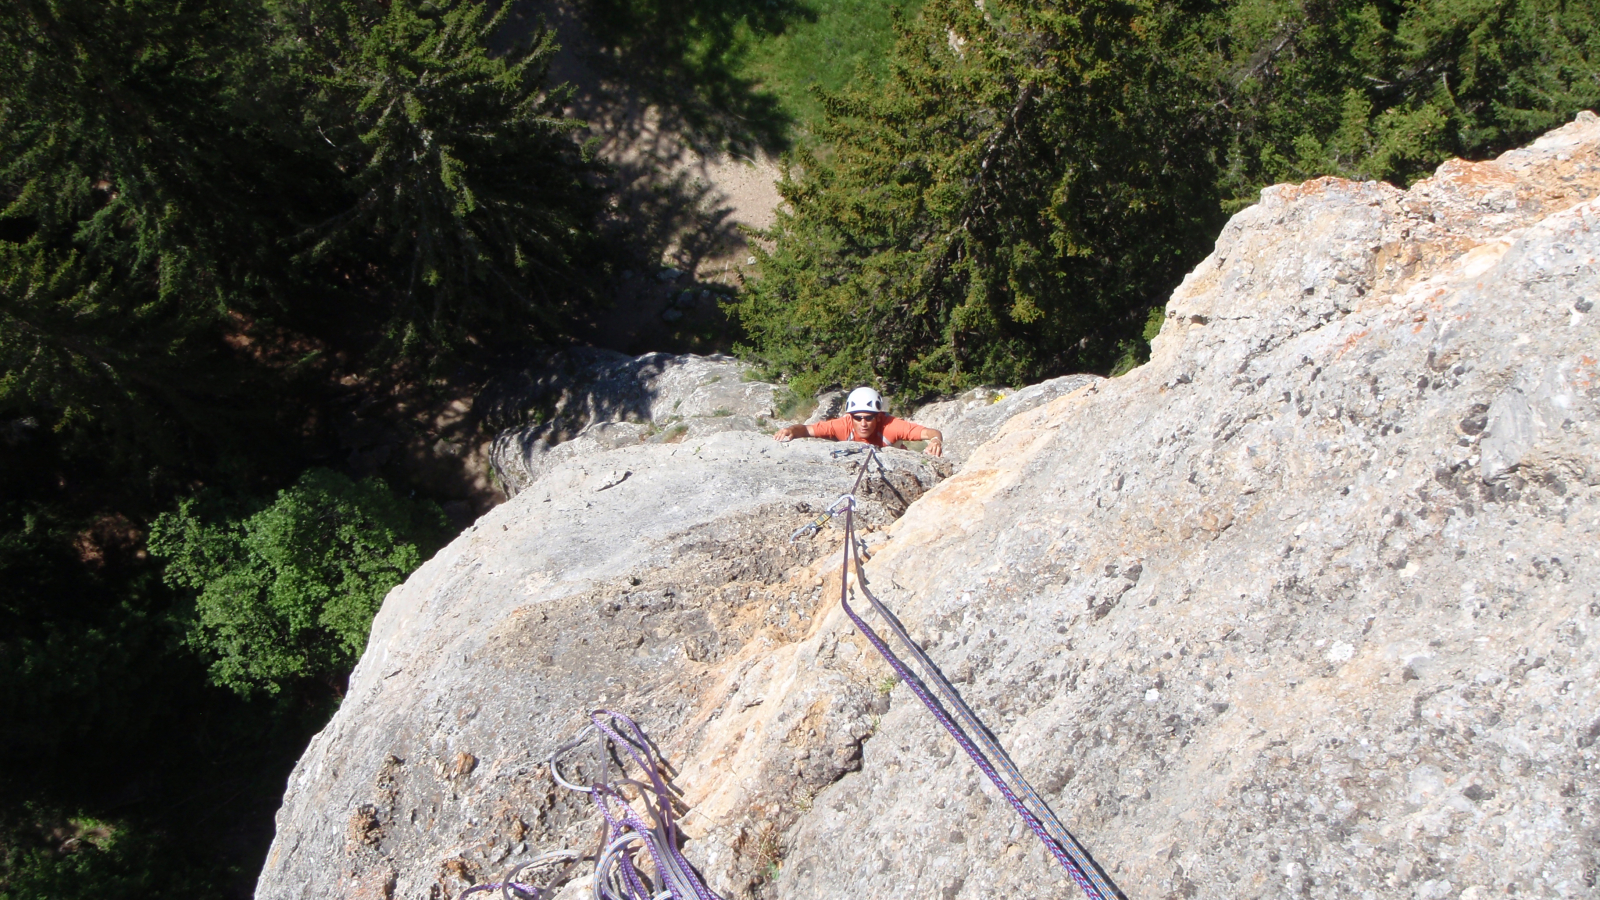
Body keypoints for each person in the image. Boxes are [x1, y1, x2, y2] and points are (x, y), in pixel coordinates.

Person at [773, 387, 943, 456]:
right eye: (858, 418)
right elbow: (806, 429)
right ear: (850, 417)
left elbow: (930, 433)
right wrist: (791, 430)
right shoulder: (843, 425)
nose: (863, 423)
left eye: (868, 417)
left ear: (878, 417)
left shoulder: (890, 425)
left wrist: (935, 440)